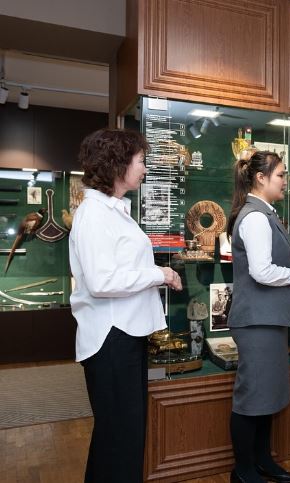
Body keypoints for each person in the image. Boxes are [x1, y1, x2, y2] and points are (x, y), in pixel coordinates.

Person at [69, 128, 182, 483]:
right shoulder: (94, 214)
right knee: (119, 439)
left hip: (123, 336)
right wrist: (159, 274)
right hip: (111, 339)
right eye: (141, 161)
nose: (145, 169)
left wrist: (155, 274)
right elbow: (102, 282)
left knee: (121, 437)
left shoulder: (113, 211)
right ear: (117, 164)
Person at [226, 150, 290, 483]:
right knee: (252, 397)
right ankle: (243, 470)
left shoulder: (264, 213)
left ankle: (263, 460)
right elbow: (261, 271)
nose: (285, 181)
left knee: (267, 395)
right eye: (281, 175)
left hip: (268, 319)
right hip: (257, 322)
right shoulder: (255, 217)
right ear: (261, 178)